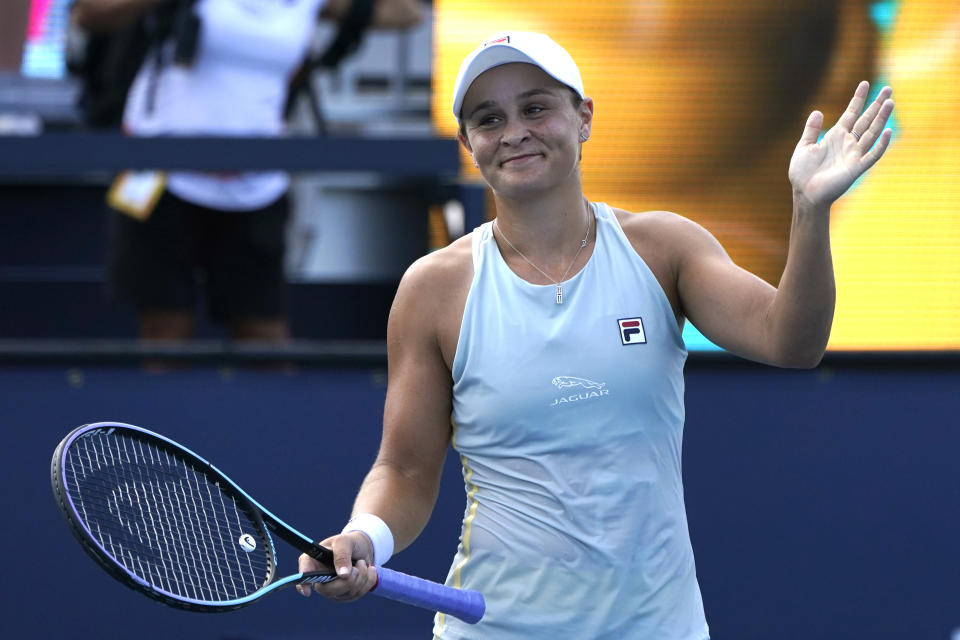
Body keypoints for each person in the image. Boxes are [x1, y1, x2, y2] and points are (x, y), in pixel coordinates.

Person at [297, 31, 894, 639]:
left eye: (536, 107)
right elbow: (404, 470)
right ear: (467, 143)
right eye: (488, 118)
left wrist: (809, 210)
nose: (514, 132)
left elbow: (792, 341)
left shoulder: (665, 248)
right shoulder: (433, 288)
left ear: (583, 117)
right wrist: (362, 536)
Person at [71, 0, 424, 344]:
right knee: (165, 334)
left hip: (255, 185)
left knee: (264, 335)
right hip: (162, 178)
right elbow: (88, 12)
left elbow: (408, 12)